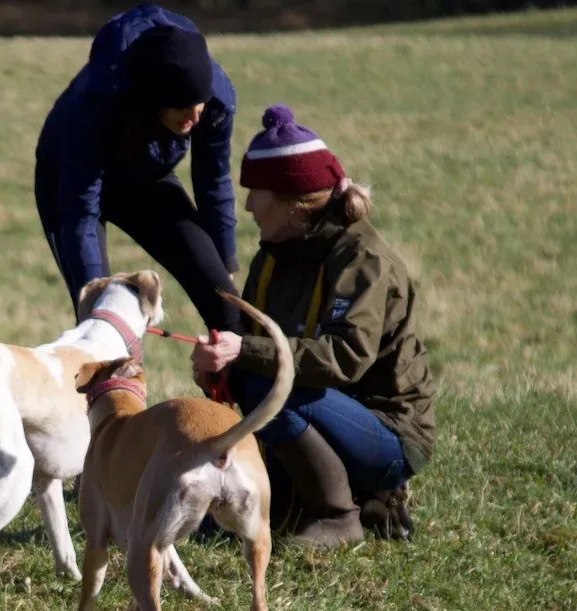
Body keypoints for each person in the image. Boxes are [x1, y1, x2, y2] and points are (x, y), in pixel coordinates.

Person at [192, 104, 436, 548]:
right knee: (252, 380)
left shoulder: (363, 260)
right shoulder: (273, 255)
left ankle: (340, 515)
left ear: (290, 201)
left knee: (272, 387)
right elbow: (254, 343)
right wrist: (219, 366)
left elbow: (344, 357)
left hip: (387, 434)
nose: (247, 205)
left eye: (256, 191)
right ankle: (308, 502)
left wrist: (243, 352)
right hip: (322, 415)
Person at [35, 3, 242, 334]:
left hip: (147, 176)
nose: (195, 118)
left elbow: (213, 180)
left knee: (228, 308)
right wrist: (93, 296)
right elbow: (80, 211)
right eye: (183, 109)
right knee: (100, 322)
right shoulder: (96, 108)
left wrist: (224, 267)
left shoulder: (215, 101)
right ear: (154, 103)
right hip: (69, 183)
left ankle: (239, 385)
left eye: (199, 104)